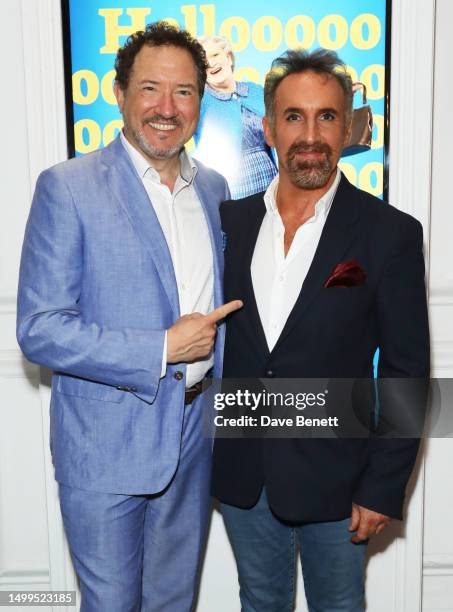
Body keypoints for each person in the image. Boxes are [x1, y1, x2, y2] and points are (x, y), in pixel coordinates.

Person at [17, 22, 241, 612]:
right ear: (119, 93)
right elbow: (39, 327)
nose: (166, 108)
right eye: (150, 89)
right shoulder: (67, 187)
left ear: (202, 100)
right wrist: (160, 348)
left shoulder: (215, 190)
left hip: (194, 440)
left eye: (184, 92)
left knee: (174, 603)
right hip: (104, 446)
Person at [212, 48, 429, 611]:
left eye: (327, 116)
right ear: (268, 128)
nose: (311, 134)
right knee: (259, 601)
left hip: (342, 479)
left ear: (347, 124)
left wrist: (384, 485)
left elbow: (408, 371)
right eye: (294, 116)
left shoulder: (390, 233)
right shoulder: (228, 223)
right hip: (244, 474)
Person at [193, 35, 277, 199]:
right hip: (230, 193)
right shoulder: (199, 101)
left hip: (272, 186)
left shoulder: (256, 91)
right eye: (203, 63)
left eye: (215, 55)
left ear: (229, 57)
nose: (211, 63)